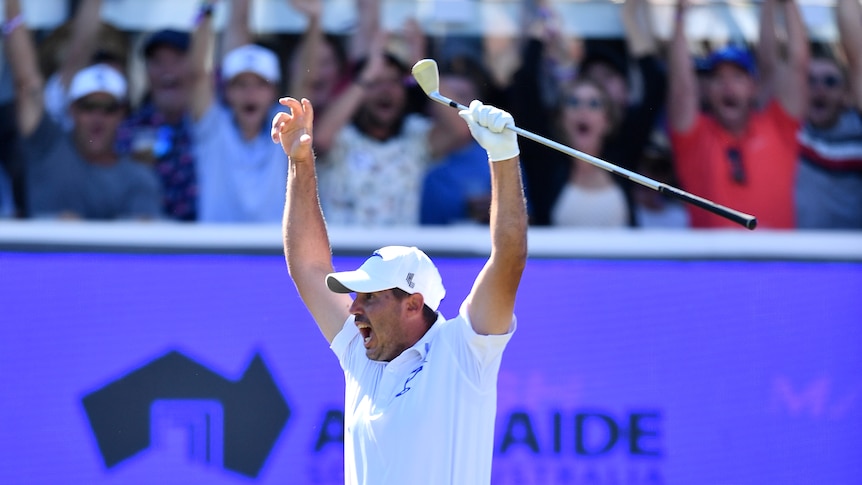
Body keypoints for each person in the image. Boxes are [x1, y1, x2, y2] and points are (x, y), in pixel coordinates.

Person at [274, 96, 527, 484]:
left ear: (412, 304)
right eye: (357, 296)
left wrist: (504, 157)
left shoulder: (464, 350)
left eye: (370, 297)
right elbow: (308, 268)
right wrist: (300, 162)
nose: (354, 308)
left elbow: (507, 259)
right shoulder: (362, 355)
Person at [4, 0, 160, 220]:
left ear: (123, 113)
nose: (98, 117)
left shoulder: (139, 178)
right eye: (88, 107)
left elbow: (143, 243)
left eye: (109, 108)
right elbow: (26, 83)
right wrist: (11, 7)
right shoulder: (48, 147)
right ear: (72, 110)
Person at [667, 0, 808, 229]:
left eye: (738, 77)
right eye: (718, 79)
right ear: (706, 90)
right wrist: (679, 15)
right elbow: (681, 86)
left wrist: (786, 3)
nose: (728, 86)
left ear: (754, 87)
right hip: (714, 263)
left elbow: (796, 64)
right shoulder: (695, 137)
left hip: (778, 262)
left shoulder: (778, 126)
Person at [188, 0, 288, 222]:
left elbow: (306, 82)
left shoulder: (285, 126)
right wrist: (206, 11)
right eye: (240, 85)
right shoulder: (213, 126)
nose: (250, 93)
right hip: (216, 251)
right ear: (227, 92)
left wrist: (315, 20)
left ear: (274, 92)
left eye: (260, 84)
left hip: (275, 253)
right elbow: (197, 76)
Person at [116, 27, 198, 221]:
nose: (167, 70)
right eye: (157, 62)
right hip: (144, 240)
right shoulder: (129, 128)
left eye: (177, 60)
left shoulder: (211, 122)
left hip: (205, 240)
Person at [793, 0, 862, 229]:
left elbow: (858, 60)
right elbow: (775, 66)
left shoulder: (857, 130)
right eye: (810, 80)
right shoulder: (789, 129)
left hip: (850, 258)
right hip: (796, 258)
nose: (819, 89)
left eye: (830, 81)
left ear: (846, 94)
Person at [419, 57, 494, 225]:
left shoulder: (497, 155)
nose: (452, 105)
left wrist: (500, 210)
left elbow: (528, 222)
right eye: (442, 97)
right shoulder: (410, 142)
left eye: (461, 96)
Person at [550, 77, 629, 227]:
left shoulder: (625, 165)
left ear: (607, 121)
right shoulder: (544, 171)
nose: (583, 111)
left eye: (594, 104)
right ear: (561, 118)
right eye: (574, 102)